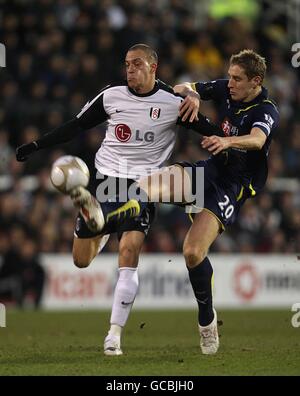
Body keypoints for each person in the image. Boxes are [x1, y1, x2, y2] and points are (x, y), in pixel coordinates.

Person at [16, 44, 220, 355]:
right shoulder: (111, 95)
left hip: (144, 185)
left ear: (153, 67)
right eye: (127, 64)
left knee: (129, 250)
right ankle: (96, 223)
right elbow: (76, 125)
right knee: (81, 260)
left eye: (137, 64)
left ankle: (114, 335)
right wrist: (36, 145)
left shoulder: (172, 102)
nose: (129, 70)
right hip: (106, 179)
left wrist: (233, 144)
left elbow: (210, 131)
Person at [84, 49, 280, 354]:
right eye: (229, 76)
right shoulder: (226, 89)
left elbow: (257, 140)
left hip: (232, 186)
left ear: (255, 81)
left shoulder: (266, 110)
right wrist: (192, 95)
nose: (230, 83)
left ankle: (207, 321)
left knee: (191, 252)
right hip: (210, 172)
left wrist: (226, 141)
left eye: (237, 79)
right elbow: (180, 86)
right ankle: (104, 223)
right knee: (144, 186)